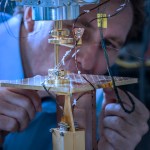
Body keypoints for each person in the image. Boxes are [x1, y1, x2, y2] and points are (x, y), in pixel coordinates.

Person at [0, 0, 149, 150]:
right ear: (32, 16)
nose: (87, 63)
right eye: (74, 32)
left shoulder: (104, 114)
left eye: (107, 44)